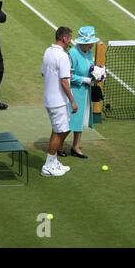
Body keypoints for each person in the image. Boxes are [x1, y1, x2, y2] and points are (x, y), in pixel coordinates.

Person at [41, 27, 77, 177]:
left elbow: (44, 72)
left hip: (50, 99)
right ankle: (48, 166)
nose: (70, 41)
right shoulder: (62, 56)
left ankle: (53, 161)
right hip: (58, 101)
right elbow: (64, 81)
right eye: (69, 38)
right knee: (59, 131)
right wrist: (73, 101)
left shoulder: (48, 51)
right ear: (64, 38)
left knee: (58, 129)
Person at [60, 26, 100, 159]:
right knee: (72, 121)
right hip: (75, 91)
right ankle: (58, 145)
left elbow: (90, 68)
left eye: (91, 44)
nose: (91, 46)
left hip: (85, 92)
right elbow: (69, 76)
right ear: (82, 43)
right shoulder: (72, 53)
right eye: (89, 44)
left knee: (81, 119)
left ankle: (76, 147)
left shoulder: (89, 53)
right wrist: (86, 80)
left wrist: (98, 74)